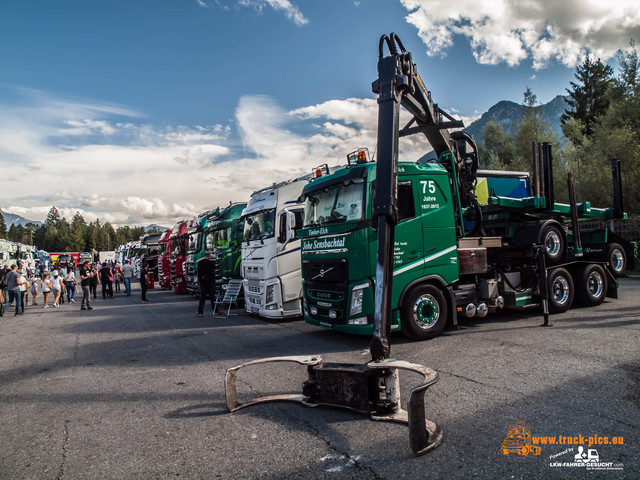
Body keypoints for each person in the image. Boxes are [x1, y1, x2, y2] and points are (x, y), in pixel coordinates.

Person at [196, 251, 218, 317]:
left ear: (204, 255)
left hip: (203, 282)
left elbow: (199, 272)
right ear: (209, 255)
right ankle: (215, 311)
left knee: (202, 297)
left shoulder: (200, 263)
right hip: (211, 281)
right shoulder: (211, 263)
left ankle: (200, 312)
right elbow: (214, 271)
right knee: (212, 297)